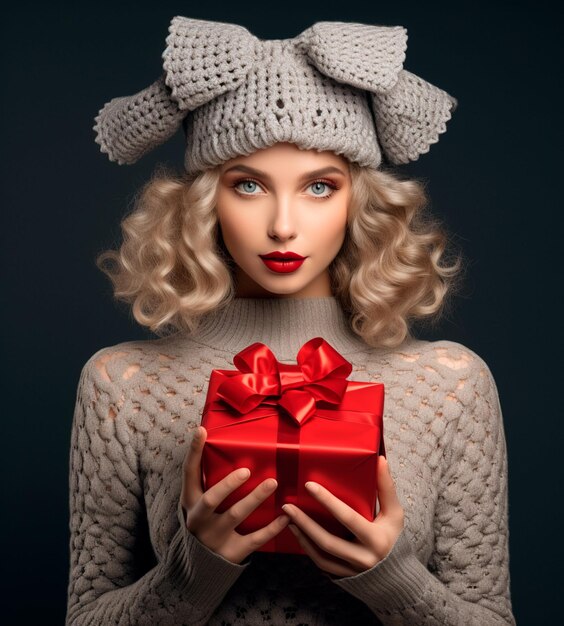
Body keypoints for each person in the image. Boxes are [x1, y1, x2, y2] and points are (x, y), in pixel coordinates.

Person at [65, 16, 516, 625]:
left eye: (319, 187)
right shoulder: (122, 384)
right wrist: (191, 572)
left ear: (360, 198)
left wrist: (395, 582)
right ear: (204, 200)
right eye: (248, 185)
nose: (283, 224)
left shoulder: (452, 386)